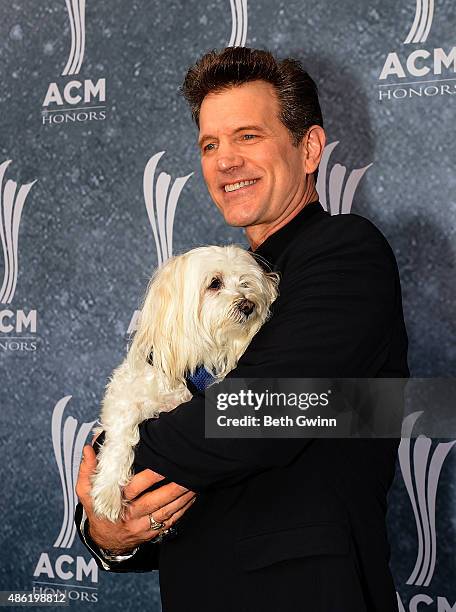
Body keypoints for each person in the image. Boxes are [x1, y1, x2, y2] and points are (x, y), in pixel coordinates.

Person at [75, 47, 409, 611]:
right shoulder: (209, 283)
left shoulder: (346, 253)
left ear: (309, 149)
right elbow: (186, 473)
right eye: (210, 144)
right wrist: (108, 534)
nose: (225, 160)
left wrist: (119, 450)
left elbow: (265, 411)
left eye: (248, 136)